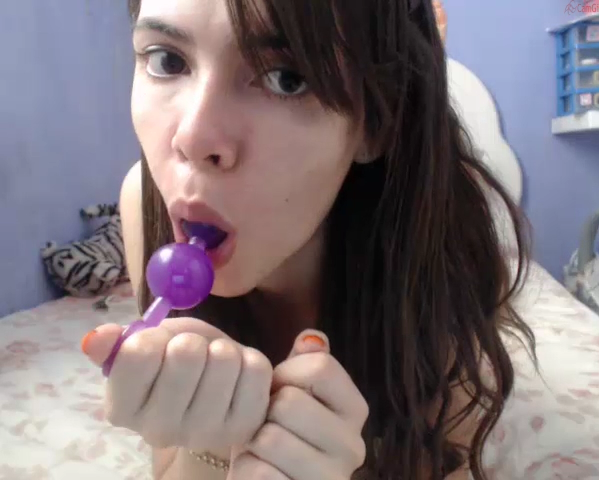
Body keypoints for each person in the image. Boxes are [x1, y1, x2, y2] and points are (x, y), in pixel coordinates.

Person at [80, 0, 535, 478]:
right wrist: (212, 440)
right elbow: (173, 464)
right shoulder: (143, 201)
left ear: (374, 124)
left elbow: (444, 457)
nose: (192, 139)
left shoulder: (443, 250)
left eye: (287, 79)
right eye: (167, 60)